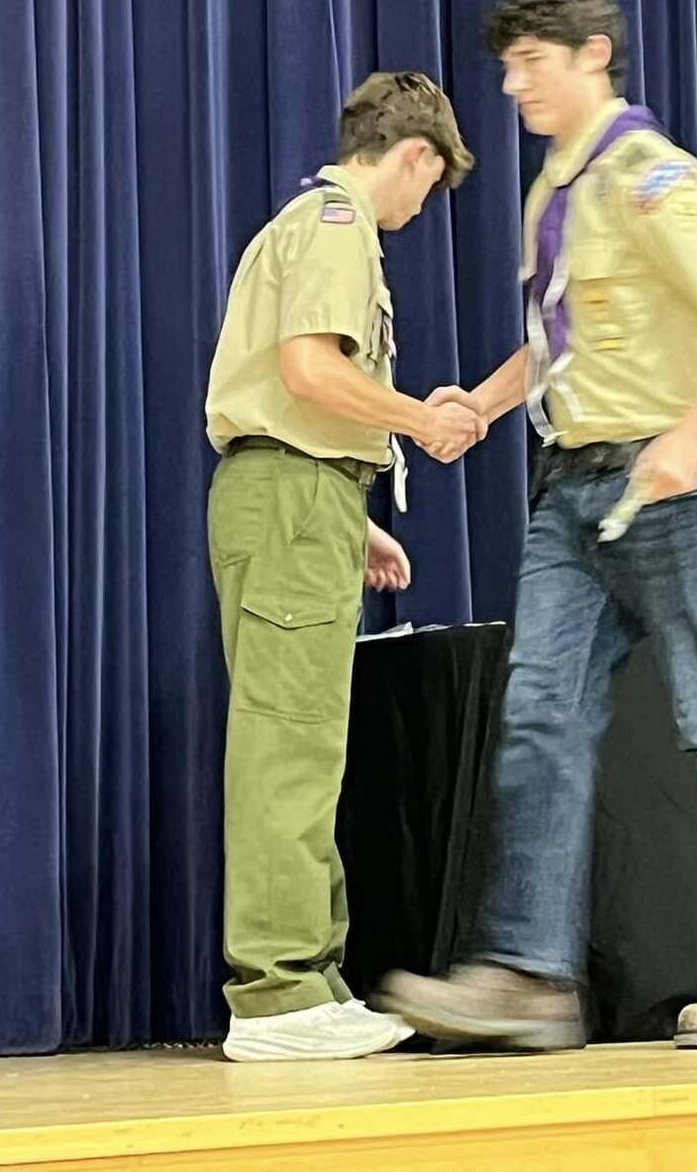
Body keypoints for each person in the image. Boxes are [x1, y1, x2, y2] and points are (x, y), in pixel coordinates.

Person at [378, 0, 697, 1051]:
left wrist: (690, 437)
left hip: (678, 486)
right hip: (572, 490)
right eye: (509, 64)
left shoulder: (652, 176)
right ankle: (528, 975)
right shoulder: (555, 188)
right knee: (538, 722)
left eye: (533, 60)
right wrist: (480, 404)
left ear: (593, 57)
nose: (515, 81)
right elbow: (567, 332)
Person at [204, 71, 484, 1061]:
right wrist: (421, 419)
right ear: (414, 155)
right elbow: (308, 371)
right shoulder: (334, 225)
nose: (420, 210)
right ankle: (278, 991)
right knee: (288, 741)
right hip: (289, 495)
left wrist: (355, 516)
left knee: (308, 740)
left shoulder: (310, 225)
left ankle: (310, 979)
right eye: (430, 185)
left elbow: (296, 403)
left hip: (305, 492)